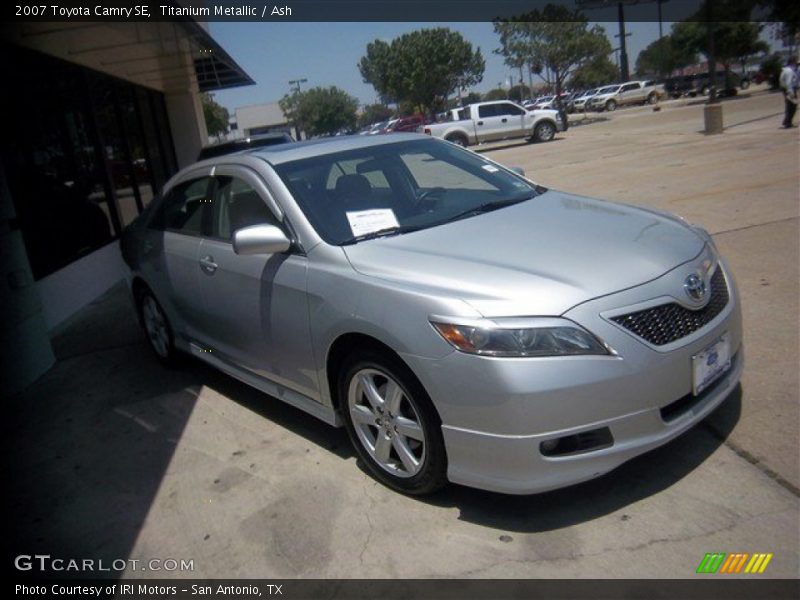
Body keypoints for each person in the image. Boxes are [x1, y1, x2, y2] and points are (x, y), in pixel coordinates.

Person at [780, 55, 798, 128]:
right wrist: (791, 92)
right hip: (789, 89)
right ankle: (788, 122)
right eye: (795, 61)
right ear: (792, 62)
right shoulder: (789, 71)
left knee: (789, 106)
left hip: (786, 89)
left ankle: (786, 121)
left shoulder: (786, 70)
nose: (796, 63)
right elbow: (788, 82)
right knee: (792, 106)